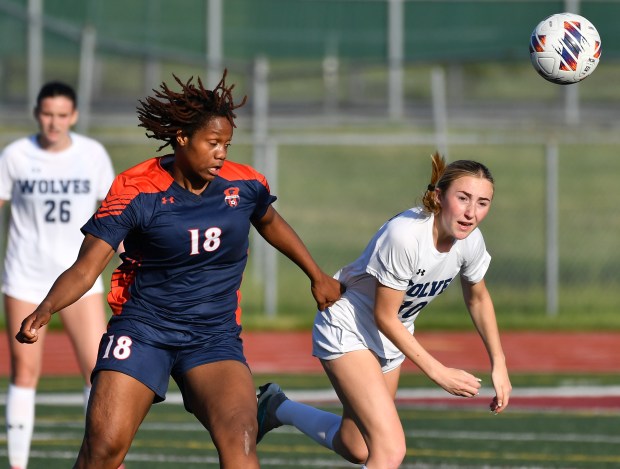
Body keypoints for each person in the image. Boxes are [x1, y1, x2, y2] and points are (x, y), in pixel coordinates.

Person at [15, 70, 342, 469]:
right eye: (213, 143)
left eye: (227, 144)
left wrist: (316, 274)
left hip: (213, 337)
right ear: (182, 139)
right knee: (103, 451)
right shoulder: (137, 189)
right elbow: (86, 268)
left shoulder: (244, 185)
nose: (222, 153)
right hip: (144, 330)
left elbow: (270, 222)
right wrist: (47, 307)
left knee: (241, 450)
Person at [256, 153, 513, 469]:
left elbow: (478, 298)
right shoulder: (405, 236)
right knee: (390, 451)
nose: (471, 212)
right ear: (439, 195)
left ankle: (276, 407)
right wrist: (438, 371)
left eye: (483, 203)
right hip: (348, 327)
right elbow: (384, 315)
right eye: (463, 198)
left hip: (389, 339)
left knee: (358, 446)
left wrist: (499, 364)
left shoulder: (470, 241)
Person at [0, 81, 116, 469]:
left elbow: (114, 213)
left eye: (62, 115)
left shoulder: (92, 154)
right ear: (37, 113)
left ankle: (100, 458)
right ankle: (17, 465)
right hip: (26, 276)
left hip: (79, 278)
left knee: (97, 372)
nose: (54, 122)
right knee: (25, 372)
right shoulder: (15, 155)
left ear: (74, 116)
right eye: (48, 114)